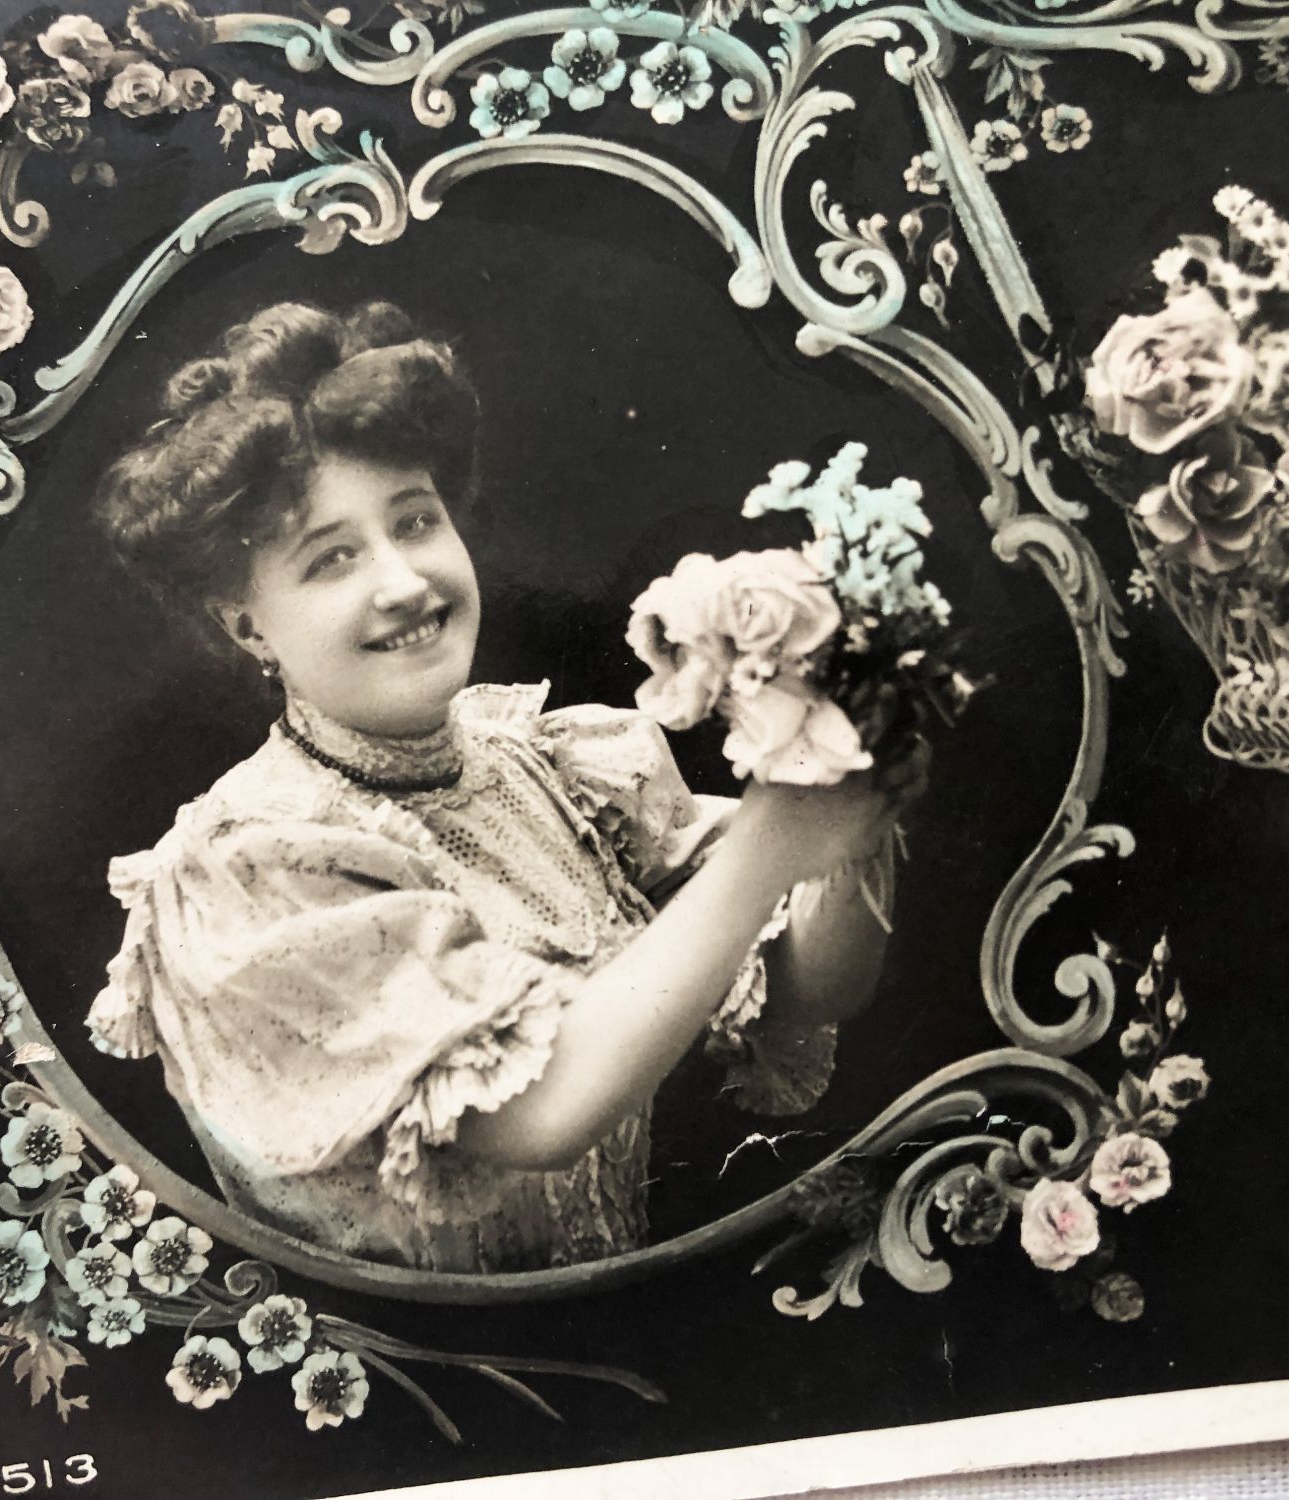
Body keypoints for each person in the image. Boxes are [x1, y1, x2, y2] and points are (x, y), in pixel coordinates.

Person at [86, 300, 908, 1273]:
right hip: (398, 1395)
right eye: (332, 558)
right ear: (245, 626)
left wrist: (850, 791)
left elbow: (810, 984)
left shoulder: (545, 763)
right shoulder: (246, 868)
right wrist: (777, 838)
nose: (401, 580)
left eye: (415, 521)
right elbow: (541, 1112)